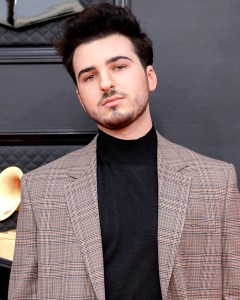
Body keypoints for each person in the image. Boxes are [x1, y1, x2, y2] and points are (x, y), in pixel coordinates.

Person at [8, 3, 240, 300]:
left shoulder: (216, 183)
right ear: (81, 98)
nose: (106, 83)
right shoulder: (40, 190)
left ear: (150, 77)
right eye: (89, 76)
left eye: (119, 66)